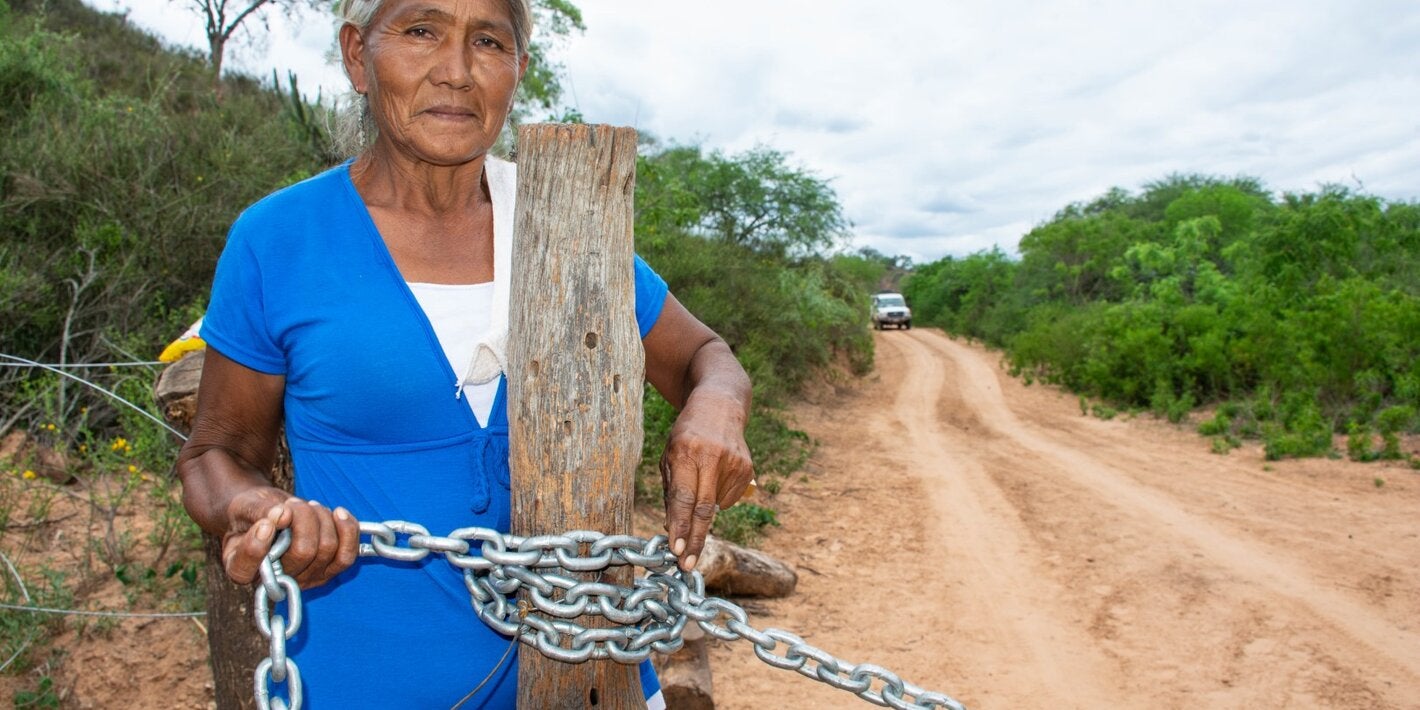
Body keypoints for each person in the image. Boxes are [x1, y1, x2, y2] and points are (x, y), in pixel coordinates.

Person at [174, 0, 755, 706]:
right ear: (359, 55)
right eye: (421, 31)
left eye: (486, 41)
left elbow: (705, 354)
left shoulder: (568, 225)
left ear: (518, 69)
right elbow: (216, 453)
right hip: (365, 684)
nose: (455, 71)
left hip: (594, 681)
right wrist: (258, 507)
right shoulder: (280, 241)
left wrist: (717, 405)